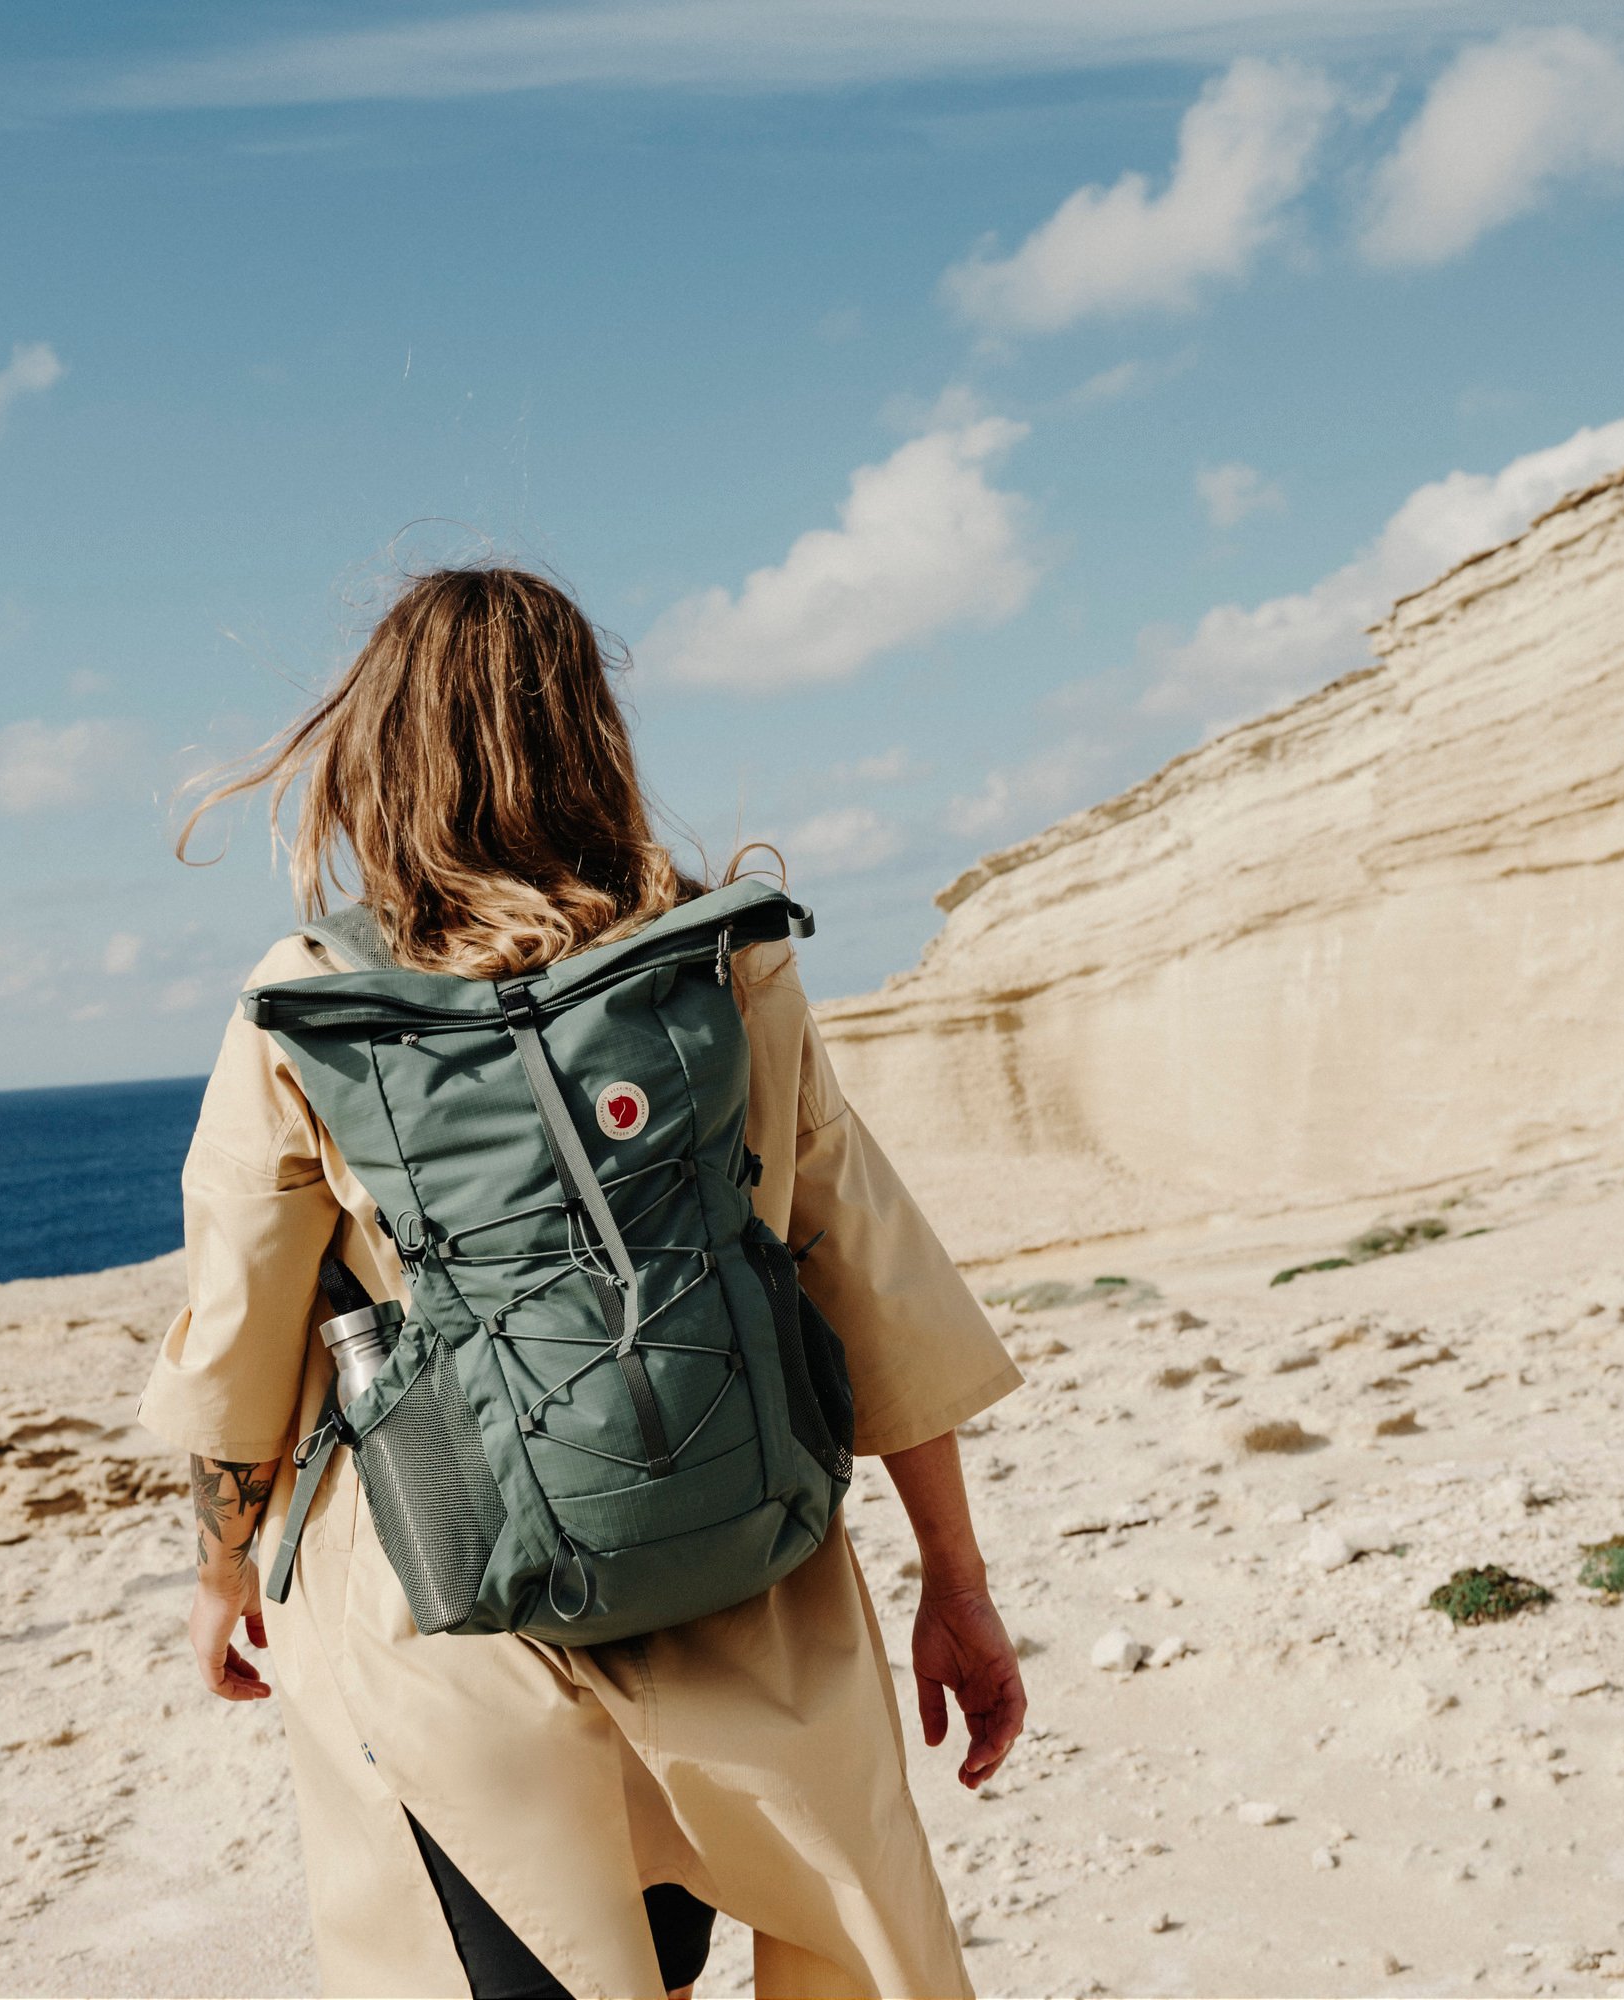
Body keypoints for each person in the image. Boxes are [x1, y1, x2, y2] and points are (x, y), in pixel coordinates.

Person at [144, 567, 1028, 1998]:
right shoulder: (718, 957)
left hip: (463, 1626)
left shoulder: (309, 1001)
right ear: (594, 735)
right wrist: (959, 1585)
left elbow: (240, 1339)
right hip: (745, 1575)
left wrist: (222, 1570)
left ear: (374, 757)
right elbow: (863, 1264)